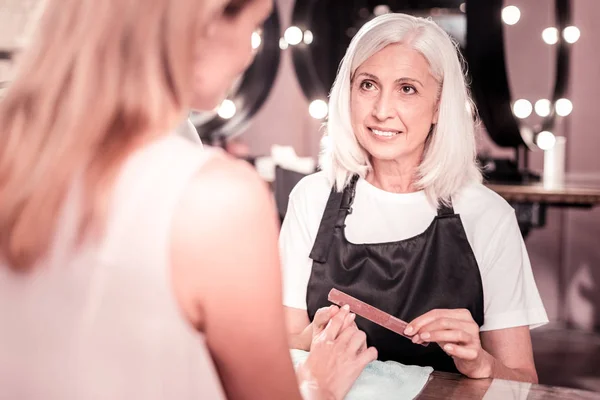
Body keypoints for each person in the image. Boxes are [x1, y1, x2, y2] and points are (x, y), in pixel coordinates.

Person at [0, 0, 377, 399]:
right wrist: (319, 385)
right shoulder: (216, 198)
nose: (250, 52)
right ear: (206, 24)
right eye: (252, 28)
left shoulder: (16, 146)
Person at [280, 13, 548, 383]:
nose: (381, 110)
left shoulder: (487, 216)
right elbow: (283, 352)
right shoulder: (311, 199)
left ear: (439, 105)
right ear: (349, 92)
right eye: (368, 85)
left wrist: (480, 363)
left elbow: (524, 383)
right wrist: (314, 339)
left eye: (407, 89)